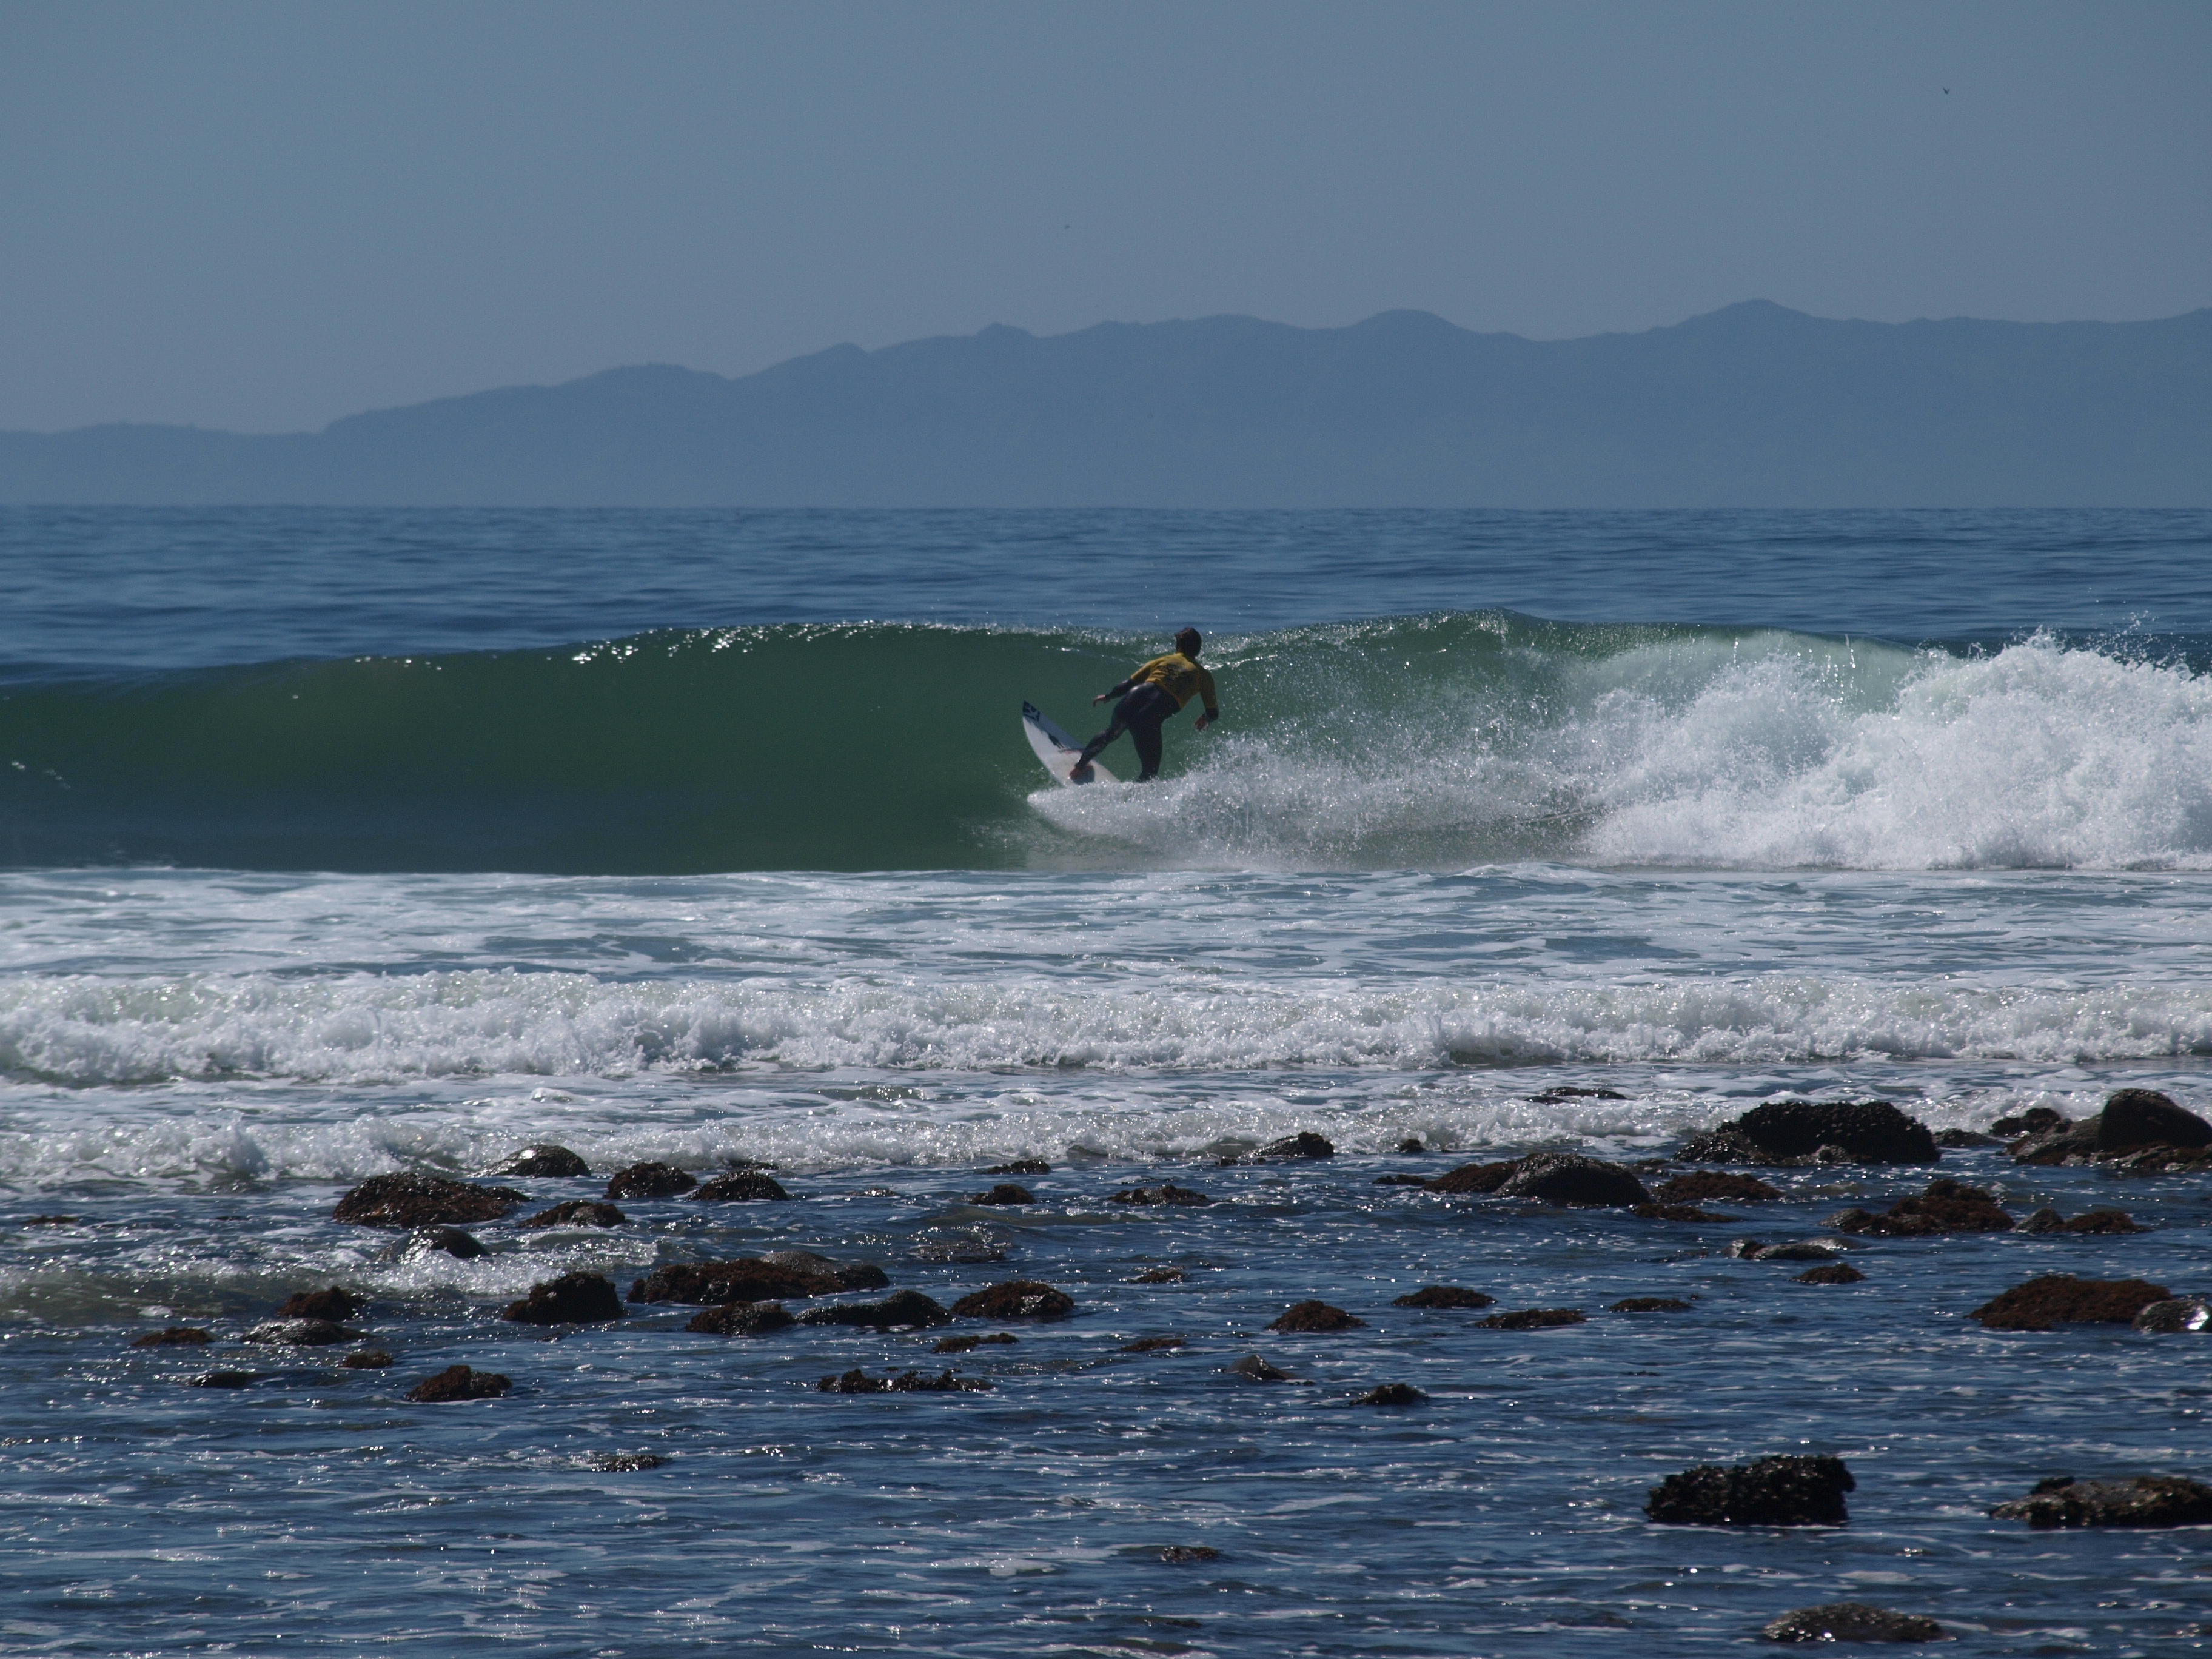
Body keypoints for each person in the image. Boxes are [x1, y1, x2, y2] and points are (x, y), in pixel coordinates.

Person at [1070, 627, 1220, 783]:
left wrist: (1109, 696)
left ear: (1179, 646)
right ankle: (1131, 802)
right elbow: (1214, 712)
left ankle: (1080, 767)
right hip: (1150, 716)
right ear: (1198, 650)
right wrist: (1205, 718)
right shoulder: (1204, 676)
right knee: (1149, 773)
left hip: (1131, 699)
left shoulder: (1162, 661)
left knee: (1111, 733)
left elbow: (1129, 683)